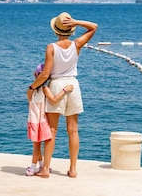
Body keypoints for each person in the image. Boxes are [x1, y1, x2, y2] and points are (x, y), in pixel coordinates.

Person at [27, 12, 98, 178]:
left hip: (57, 85)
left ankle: (45, 169)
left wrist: (31, 88)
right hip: (73, 85)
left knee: (52, 130)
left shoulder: (51, 47)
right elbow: (94, 27)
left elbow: (45, 75)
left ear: (55, 30)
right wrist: (76, 22)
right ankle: (73, 169)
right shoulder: (76, 44)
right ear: (71, 29)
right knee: (73, 130)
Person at [26, 62, 75, 176]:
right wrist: (64, 89)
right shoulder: (45, 89)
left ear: (35, 74)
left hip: (33, 120)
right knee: (39, 145)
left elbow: (30, 101)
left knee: (36, 145)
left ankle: (40, 165)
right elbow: (54, 99)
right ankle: (34, 167)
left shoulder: (31, 90)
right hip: (41, 121)